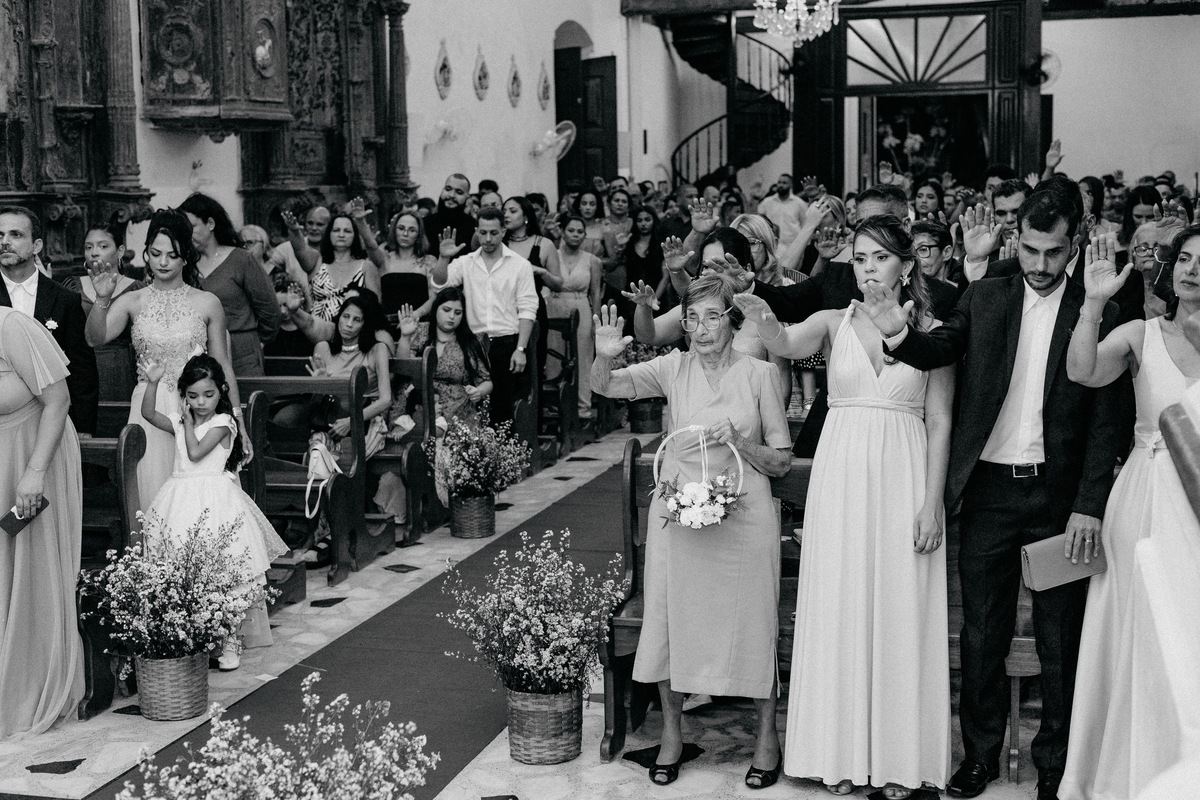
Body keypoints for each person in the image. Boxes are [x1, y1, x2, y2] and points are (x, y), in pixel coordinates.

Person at [857, 189, 1124, 800]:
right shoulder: (987, 296)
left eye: (1054, 253)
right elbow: (938, 349)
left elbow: (1107, 421)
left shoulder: (1096, 310)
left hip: (1059, 501)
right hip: (990, 493)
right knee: (982, 633)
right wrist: (897, 331)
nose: (1040, 264)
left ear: (1074, 247)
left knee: (1061, 638)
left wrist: (1089, 502)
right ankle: (978, 757)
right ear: (1016, 241)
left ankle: (1054, 765)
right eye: (1029, 249)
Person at [737, 216, 954, 797]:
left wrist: (931, 503)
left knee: (899, 606)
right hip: (843, 470)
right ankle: (838, 752)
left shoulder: (933, 329)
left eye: (879, 258)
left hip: (905, 469)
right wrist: (759, 312)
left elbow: (940, 418)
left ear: (906, 266)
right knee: (842, 603)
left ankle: (897, 760)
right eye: (859, 259)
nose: (866, 268)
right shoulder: (834, 322)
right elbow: (783, 342)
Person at [591, 273, 792, 789]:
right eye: (691, 318)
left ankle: (766, 738)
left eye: (712, 317)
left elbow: (782, 462)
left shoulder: (760, 375)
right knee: (671, 622)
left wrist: (740, 444)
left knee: (753, 622)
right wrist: (606, 354)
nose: (701, 329)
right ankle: (674, 734)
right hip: (680, 516)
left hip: (745, 519)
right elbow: (604, 386)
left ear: (732, 320)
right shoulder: (671, 367)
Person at [1059, 225, 1200, 800]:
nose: (1193, 269)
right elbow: (1081, 370)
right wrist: (1092, 304)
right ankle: (1124, 770)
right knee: (1139, 626)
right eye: (1186, 257)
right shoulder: (1142, 332)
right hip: (1146, 493)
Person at [85, 208, 249, 506]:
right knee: (154, 498)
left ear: (186, 256)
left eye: (172, 255)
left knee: (202, 499)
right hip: (148, 406)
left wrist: (238, 422)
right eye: (155, 253)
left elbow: (223, 366)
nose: (162, 262)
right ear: (146, 254)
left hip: (199, 407)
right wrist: (102, 300)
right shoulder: (132, 301)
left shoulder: (207, 303)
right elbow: (94, 338)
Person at [138, 354, 287, 671]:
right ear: (184, 395)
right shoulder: (182, 422)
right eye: (192, 396)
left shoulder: (223, 423)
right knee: (185, 569)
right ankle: (197, 638)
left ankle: (230, 641)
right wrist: (151, 383)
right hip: (179, 499)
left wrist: (187, 422)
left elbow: (194, 453)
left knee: (225, 573)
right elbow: (148, 414)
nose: (200, 402)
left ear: (221, 391)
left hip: (215, 501)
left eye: (208, 395)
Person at [0, 307, 85, 739]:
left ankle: (28, 688)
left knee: (31, 567)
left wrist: (33, 473)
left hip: (37, 453)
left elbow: (59, 400)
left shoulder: (11, 326)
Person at [432, 207, 538, 426]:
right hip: (472, 344)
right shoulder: (466, 262)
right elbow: (440, 284)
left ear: (503, 231)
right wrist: (443, 258)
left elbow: (527, 308)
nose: (488, 239)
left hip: (506, 343)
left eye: (494, 233)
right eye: (483, 232)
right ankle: (473, 456)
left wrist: (520, 349)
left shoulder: (520, 265)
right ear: (476, 231)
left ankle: (502, 458)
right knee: (471, 405)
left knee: (502, 407)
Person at [0, 206, 100, 435]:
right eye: (0, 235)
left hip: (50, 420)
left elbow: (82, 371)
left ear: (37, 245)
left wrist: (83, 430)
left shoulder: (64, 300)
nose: (5, 242)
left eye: (15, 234)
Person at [310, 293, 398, 523]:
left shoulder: (376, 350)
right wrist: (319, 383)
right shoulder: (324, 348)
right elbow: (317, 401)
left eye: (356, 320)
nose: (348, 324)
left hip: (366, 422)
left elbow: (385, 399)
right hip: (331, 420)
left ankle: (338, 528)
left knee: (345, 462)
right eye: (345, 317)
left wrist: (351, 422)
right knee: (317, 455)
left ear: (365, 324)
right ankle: (322, 527)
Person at [178, 193, 281, 377]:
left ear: (210, 224)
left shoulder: (241, 260)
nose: (186, 233)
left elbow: (270, 311)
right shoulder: (186, 264)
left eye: (192, 226)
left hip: (242, 352)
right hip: (200, 354)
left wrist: (256, 343)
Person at [66, 219, 144, 401]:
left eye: (102, 246)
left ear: (120, 251)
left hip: (119, 370)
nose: (94, 253)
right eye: (88, 247)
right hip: (79, 370)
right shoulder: (72, 286)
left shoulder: (137, 289)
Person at [402, 286, 492, 426]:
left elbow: (487, 381)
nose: (452, 317)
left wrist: (479, 392)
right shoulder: (420, 331)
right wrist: (405, 337)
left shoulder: (470, 341)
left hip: (459, 414)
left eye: (458, 313)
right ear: (436, 309)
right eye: (446, 310)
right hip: (421, 411)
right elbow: (403, 368)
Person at [548, 216, 601, 418]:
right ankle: (554, 407)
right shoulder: (553, 255)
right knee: (553, 355)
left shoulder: (592, 260)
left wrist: (596, 320)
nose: (575, 235)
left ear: (585, 235)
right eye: (571, 230)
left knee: (582, 357)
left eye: (580, 232)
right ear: (563, 232)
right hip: (555, 304)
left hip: (580, 307)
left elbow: (595, 292)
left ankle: (582, 408)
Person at [293, 209, 382, 322]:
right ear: (329, 234)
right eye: (336, 230)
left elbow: (375, 307)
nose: (341, 235)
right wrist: (294, 231)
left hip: (354, 334)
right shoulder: (317, 261)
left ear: (355, 235)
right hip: (317, 332)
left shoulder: (367, 267)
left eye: (347, 231)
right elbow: (299, 249)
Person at [379, 210, 436, 322]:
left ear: (419, 234)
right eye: (401, 228)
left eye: (412, 230)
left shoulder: (429, 261)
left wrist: (415, 315)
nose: (405, 234)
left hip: (420, 323)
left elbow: (435, 296)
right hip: (387, 324)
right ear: (394, 230)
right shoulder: (385, 259)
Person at [269, 202, 330, 298]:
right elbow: (266, 271)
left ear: (329, 227)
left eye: (320, 224)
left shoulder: (337, 249)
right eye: (310, 223)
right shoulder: (286, 248)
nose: (314, 228)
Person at [424, 173, 477, 249]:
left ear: (467, 197)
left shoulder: (474, 228)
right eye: (448, 189)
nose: (451, 195)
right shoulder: (424, 224)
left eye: (459, 192)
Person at [757, 173, 809, 249]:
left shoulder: (799, 203)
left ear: (791, 185)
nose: (781, 185)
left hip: (793, 246)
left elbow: (805, 225)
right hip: (772, 246)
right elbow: (759, 221)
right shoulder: (767, 202)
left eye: (784, 183)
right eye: (779, 182)